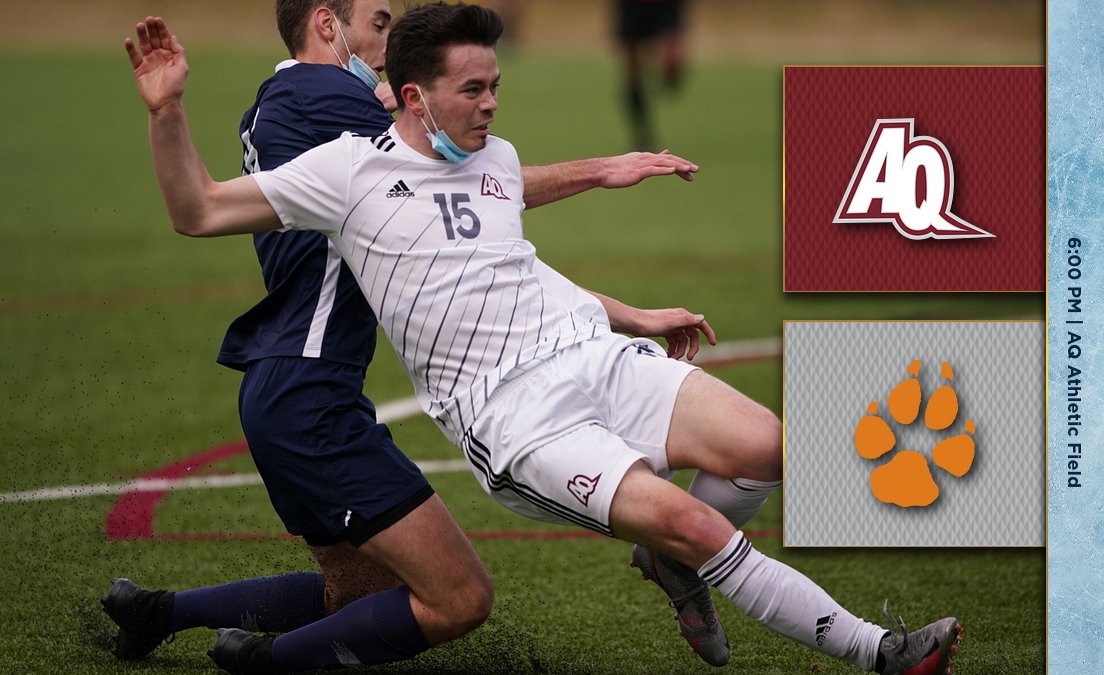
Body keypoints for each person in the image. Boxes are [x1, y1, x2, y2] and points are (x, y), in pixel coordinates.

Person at [125, 4, 963, 675]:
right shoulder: (348, 174)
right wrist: (168, 113)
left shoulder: (495, 160)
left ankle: (672, 570)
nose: (491, 104)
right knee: (697, 526)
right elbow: (195, 209)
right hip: (521, 421)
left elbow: (513, 276)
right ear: (414, 98)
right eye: (472, 90)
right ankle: (879, 651)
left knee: (766, 446)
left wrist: (630, 313)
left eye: (495, 86)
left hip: (594, 359)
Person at [106, 0, 714, 671]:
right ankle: (264, 660)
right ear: (325, 24)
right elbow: (469, 180)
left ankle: (159, 613)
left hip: (286, 380)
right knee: (455, 596)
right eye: (382, 23)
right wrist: (600, 171)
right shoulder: (329, 94)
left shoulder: (276, 101)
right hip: (311, 394)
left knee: (358, 592)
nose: (394, 44)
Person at [616, 0, 687, 150]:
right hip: (633, 6)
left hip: (664, 5)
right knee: (632, 74)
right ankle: (642, 133)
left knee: (672, 61)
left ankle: (668, 80)